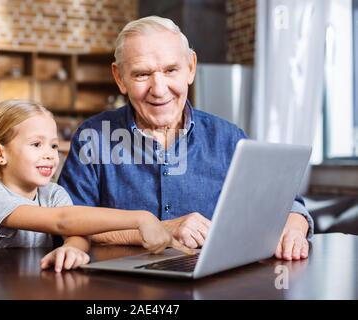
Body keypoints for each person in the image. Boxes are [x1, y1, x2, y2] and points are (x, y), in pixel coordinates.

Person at [54, 16, 314, 263]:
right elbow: (69, 221)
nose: (159, 89)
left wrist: (292, 230)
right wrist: (161, 230)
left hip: (211, 283)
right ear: (120, 78)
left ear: (190, 68)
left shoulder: (227, 138)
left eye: (170, 70)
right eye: (142, 74)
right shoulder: (94, 137)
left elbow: (289, 204)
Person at [0, 99, 191, 272]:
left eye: (54, 146)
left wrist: (71, 250)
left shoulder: (52, 193)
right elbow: (62, 221)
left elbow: (76, 232)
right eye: (36, 144)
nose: (50, 154)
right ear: (0, 154)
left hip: (29, 288)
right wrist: (141, 218)